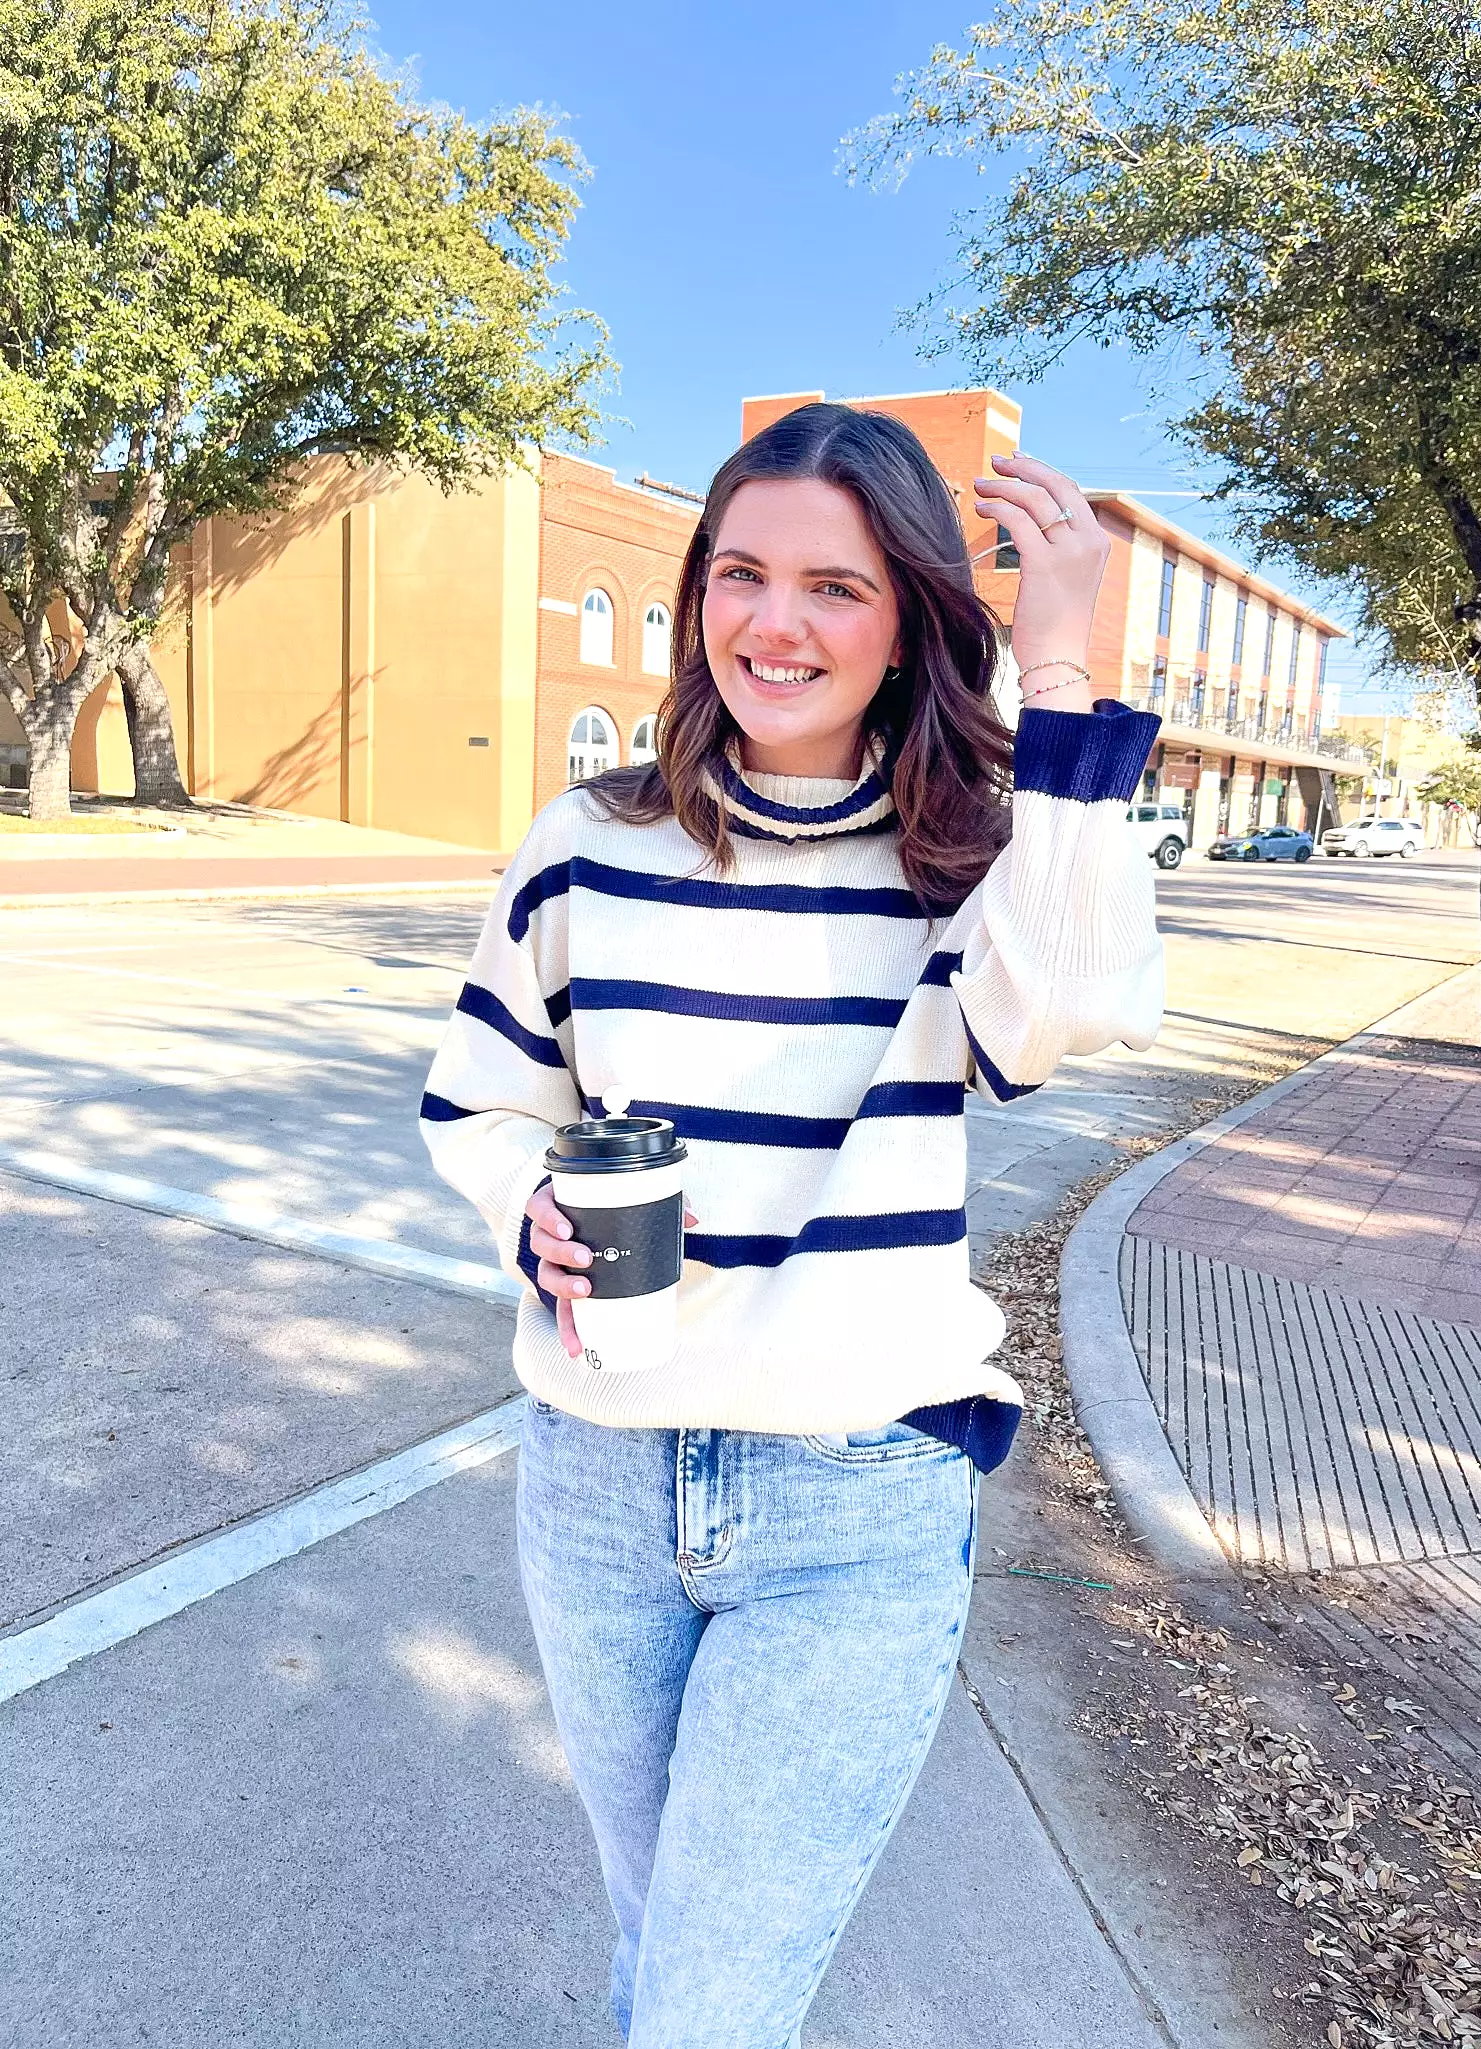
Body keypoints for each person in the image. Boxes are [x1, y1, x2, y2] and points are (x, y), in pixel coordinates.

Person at [421, 403, 1163, 2047]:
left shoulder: (968, 868)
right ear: (696, 602)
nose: (775, 623)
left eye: (835, 588)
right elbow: (480, 1101)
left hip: (857, 1495)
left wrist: (1063, 668)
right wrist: (533, 1207)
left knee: (708, 2008)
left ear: (907, 621)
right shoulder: (583, 851)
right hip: (602, 1479)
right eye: (742, 576)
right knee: (663, 1951)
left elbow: (1083, 1003)